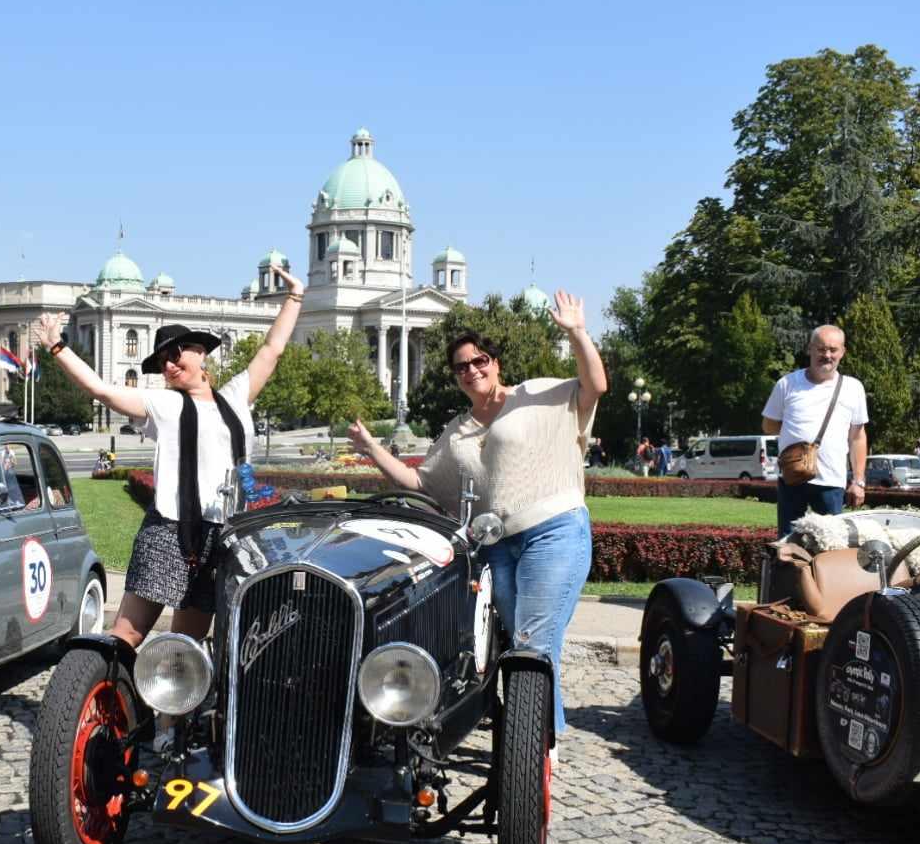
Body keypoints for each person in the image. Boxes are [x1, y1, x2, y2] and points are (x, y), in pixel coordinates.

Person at [347, 291, 607, 746]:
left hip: (554, 532)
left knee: (533, 640)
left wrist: (577, 333)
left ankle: (536, 746)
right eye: (461, 366)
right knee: (520, 644)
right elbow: (419, 482)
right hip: (499, 547)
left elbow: (595, 386)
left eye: (479, 361)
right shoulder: (458, 431)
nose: (472, 370)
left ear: (495, 363)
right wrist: (372, 449)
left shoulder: (538, 395)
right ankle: (531, 743)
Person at [33, 265, 305, 655]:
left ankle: (162, 699)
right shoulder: (164, 404)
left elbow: (272, 349)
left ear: (201, 353)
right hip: (169, 533)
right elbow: (101, 390)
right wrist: (57, 347)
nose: (169, 366)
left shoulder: (236, 397)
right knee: (126, 638)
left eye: (175, 355)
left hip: (220, 536)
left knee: (183, 649)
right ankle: (107, 690)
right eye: (162, 362)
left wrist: (294, 297)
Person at [762, 324, 869, 539]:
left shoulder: (853, 388)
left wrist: (858, 481)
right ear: (810, 349)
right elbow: (769, 425)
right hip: (793, 477)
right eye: (821, 349)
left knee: (831, 543)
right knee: (788, 544)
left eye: (833, 349)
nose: (827, 355)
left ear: (842, 352)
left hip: (831, 481)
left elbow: (857, 437)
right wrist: (797, 439)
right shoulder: (787, 384)